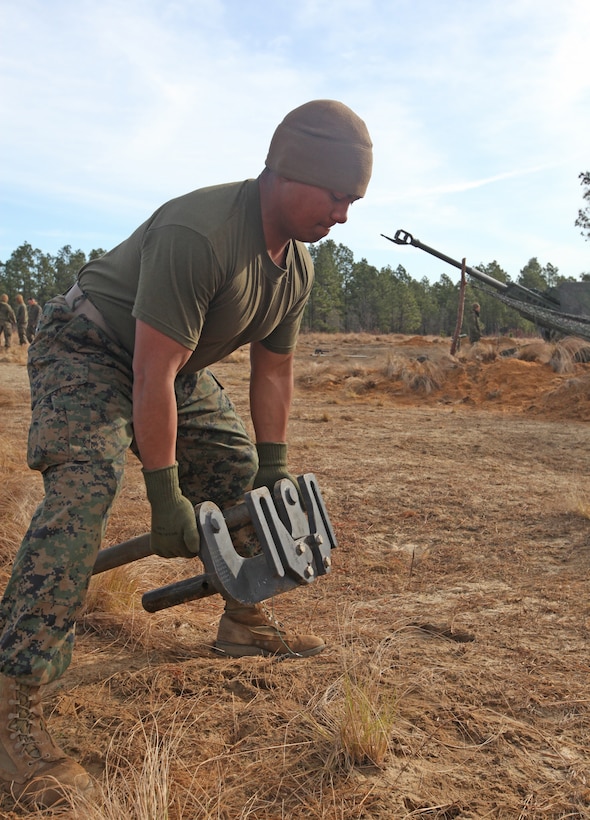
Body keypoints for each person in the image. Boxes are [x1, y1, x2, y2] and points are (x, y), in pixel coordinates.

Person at [0, 99, 373, 808]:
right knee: (85, 490)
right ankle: (13, 688)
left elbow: (272, 370)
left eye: (352, 201)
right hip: (89, 347)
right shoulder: (200, 233)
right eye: (337, 196)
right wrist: (166, 495)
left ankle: (243, 617)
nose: (343, 215)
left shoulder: (296, 267)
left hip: (167, 370)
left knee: (236, 475)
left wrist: (271, 467)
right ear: (292, 172)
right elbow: (150, 374)